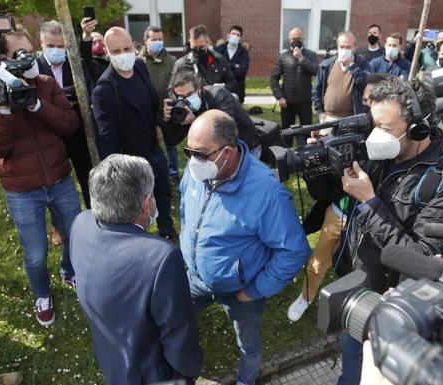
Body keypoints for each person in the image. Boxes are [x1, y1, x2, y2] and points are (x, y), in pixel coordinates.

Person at [334, 77, 443, 384]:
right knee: (350, 360)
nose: (375, 136)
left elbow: (424, 257)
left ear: (418, 128)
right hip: (358, 284)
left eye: (385, 128)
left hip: (394, 305)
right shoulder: (378, 154)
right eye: (374, 124)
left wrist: (369, 202)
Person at [179, 110, 311, 385]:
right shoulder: (196, 170)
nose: (193, 161)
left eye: (200, 153)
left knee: (249, 345)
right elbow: (184, 210)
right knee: (172, 321)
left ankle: (246, 381)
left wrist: (255, 290)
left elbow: (294, 251)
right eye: (188, 151)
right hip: (194, 279)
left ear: (226, 152)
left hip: (241, 290)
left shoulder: (266, 192)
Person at [0, 30, 81, 326]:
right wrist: (2, 112)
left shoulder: (44, 84)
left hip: (59, 179)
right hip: (22, 190)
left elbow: (70, 123)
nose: (27, 60)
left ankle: (70, 272)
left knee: (74, 235)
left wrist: (37, 105)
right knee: (35, 253)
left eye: (29, 53)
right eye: (19, 55)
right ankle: (42, 293)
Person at [70, 154, 203, 385]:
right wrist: (190, 371)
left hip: (112, 360)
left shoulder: (81, 223)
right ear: (146, 204)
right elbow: (178, 336)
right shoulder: (161, 258)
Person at [287, 73, 391, 322]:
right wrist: (320, 158)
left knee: (362, 267)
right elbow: (324, 188)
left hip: (375, 218)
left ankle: (358, 307)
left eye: (375, 101)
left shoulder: (394, 141)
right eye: (366, 99)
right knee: (320, 258)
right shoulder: (348, 129)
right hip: (341, 211)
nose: (368, 107)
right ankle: (307, 296)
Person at [91, 27, 178, 240]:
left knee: (164, 192)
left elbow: (150, 103)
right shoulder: (104, 90)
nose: (124, 54)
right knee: (137, 206)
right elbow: (106, 137)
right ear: (107, 53)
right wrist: (118, 175)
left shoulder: (139, 66)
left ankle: (166, 230)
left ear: (135, 46)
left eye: (127, 48)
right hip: (130, 160)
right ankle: (140, 241)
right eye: (117, 50)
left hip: (153, 147)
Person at [37, 19, 95, 245]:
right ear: (41, 43)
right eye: (51, 45)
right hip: (50, 136)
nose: (57, 51)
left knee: (87, 177)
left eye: (61, 46)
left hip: (78, 132)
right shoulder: (34, 68)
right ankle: (57, 226)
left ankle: (94, 218)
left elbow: (88, 85)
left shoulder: (74, 64)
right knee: (55, 183)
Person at [163, 70, 261, 157]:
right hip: (213, 150)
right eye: (181, 96)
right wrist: (167, 120)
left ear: (200, 89)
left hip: (245, 145)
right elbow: (172, 141)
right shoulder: (183, 106)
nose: (186, 99)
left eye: (190, 94)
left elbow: (227, 132)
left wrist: (195, 121)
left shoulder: (218, 95)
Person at [138, 25, 179, 182]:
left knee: (170, 143)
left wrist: (170, 100)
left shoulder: (171, 61)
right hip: (146, 112)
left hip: (166, 110)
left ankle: (174, 173)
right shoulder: (138, 62)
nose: (158, 42)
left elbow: (175, 85)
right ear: (146, 41)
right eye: (154, 39)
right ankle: (151, 175)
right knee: (149, 143)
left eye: (160, 39)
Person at [313, 31, 371, 122]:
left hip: (352, 118)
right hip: (329, 117)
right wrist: (320, 112)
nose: (344, 49)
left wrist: (352, 66)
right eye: (342, 47)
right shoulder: (326, 65)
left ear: (354, 47)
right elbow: (316, 89)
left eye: (348, 47)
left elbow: (367, 84)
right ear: (338, 47)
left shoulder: (362, 63)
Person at [270, 27, 319, 132]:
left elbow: (316, 71)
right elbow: (274, 78)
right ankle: (288, 148)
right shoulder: (283, 56)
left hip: (305, 101)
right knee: (287, 132)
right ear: (289, 40)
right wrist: (280, 97)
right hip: (287, 102)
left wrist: (301, 58)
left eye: (298, 38)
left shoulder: (311, 55)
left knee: (307, 131)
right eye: (293, 39)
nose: (296, 41)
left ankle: (307, 149)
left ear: (303, 39)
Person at [171, 25, 236, 91]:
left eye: (201, 47)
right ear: (190, 43)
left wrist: (219, 90)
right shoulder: (181, 64)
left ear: (207, 42)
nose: (198, 50)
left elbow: (231, 83)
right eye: (195, 47)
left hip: (215, 99)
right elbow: (171, 90)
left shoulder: (219, 60)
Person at [215, 25, 250, 103]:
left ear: (240, 38)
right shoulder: (219, 50)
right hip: (220, 91)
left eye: (238, 35)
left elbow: (243, 71)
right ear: (228, 35)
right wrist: (234, 65)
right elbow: (216, 68)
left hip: (238, 91)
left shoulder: (244, 53)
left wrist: (225, 69)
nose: (235, 36)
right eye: (233, 34)